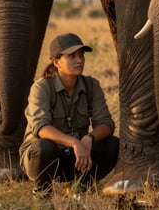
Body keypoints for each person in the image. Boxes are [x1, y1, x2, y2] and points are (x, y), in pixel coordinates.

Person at [20, 32, 119, 194]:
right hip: (43, 160)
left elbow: (107, 124)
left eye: (81, 55)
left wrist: (88, 138)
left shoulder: (91, 85)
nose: (79, 60)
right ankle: (43, 190)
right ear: (56, 62)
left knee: (113, 144)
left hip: (77, 158)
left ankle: (80, 185)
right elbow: (41, 128)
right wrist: (74, 142)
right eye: (71, 56)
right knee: (42, 146)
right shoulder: (41, 87)